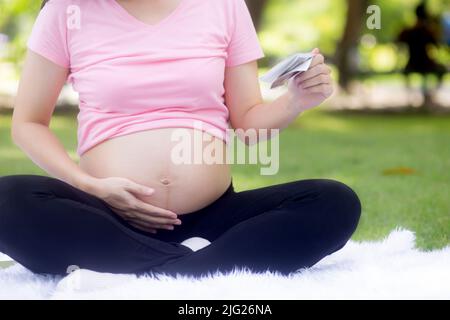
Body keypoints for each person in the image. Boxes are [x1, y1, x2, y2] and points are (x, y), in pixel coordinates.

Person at [0, 0, 361, 277]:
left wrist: (295, 101)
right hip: (107, 216)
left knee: (333, 202)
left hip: (214, 219)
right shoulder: (68, 10)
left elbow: (249, 126)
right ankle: (199, 267)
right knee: (5, 201)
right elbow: (28, 123)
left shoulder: (223, 6)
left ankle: (156, 271)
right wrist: (89, 185)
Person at [397, 1, 447, 104]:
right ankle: (429, 94)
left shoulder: (409, 31)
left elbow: (397, 42)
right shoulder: (427, 31)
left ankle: (414, 96)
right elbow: (437, 46)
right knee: (443, 70)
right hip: (426, 63)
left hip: (412, 63)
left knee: (406, 73)